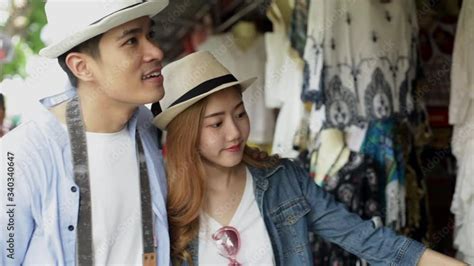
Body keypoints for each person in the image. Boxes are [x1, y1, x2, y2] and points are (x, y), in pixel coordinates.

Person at [152, 51, 467, 266]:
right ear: (186, 134)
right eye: (216, 124)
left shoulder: (283, 181)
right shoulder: (164, 201)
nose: (235, 132)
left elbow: (362, 237)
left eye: (240, 113)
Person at [0, 1, 171, 265]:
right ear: (81, 67)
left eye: (150, 35)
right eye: (131, 42)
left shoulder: (147, 127)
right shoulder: (20, 156)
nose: (156, 51)